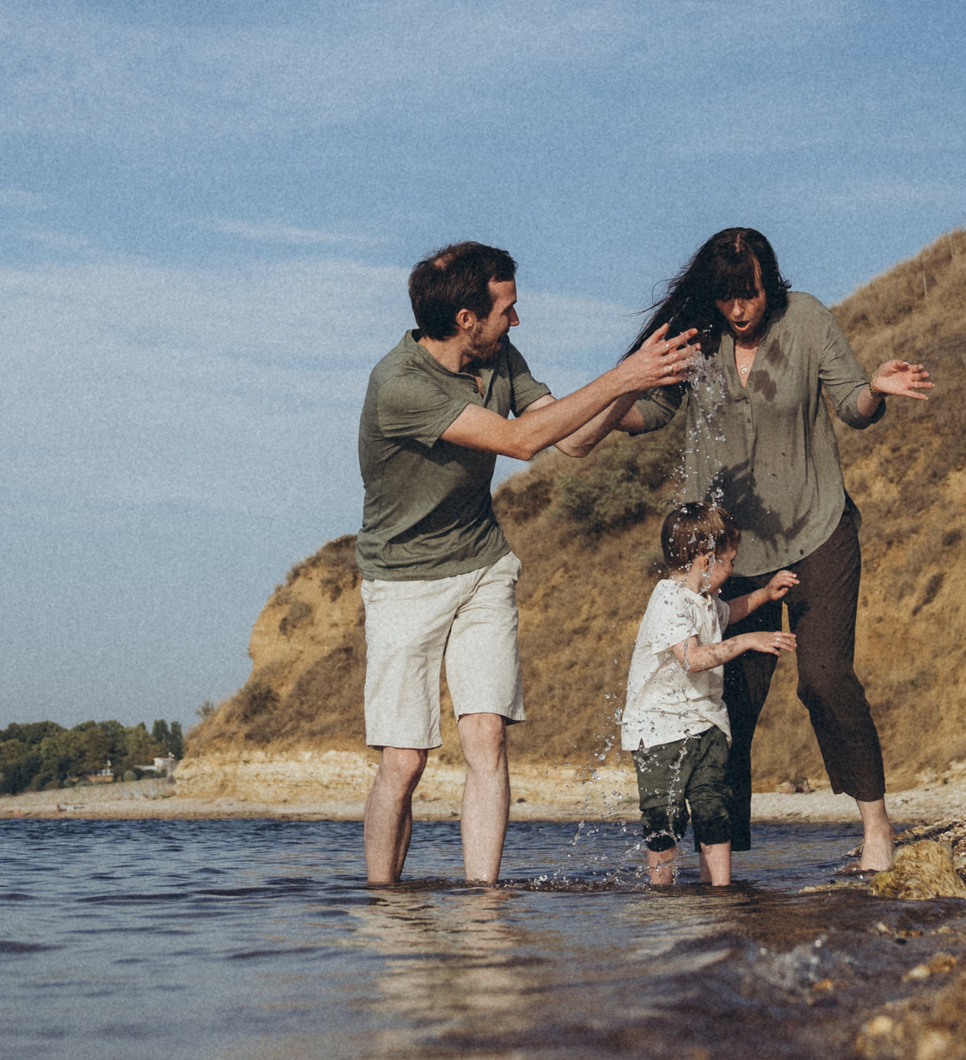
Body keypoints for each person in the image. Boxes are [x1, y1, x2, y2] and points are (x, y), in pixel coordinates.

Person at [562, 228, 931, 871]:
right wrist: (616, 389)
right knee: (726, 703)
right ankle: (721, 873)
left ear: (771, 282)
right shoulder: (700, 339)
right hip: (728, 555)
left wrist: (876, 387)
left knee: (825, 679)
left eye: (750, 295)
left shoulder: (808, 320)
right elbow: (649, 414)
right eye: (727, 298)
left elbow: (853, 405)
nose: (740, 310)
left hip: (819, 529)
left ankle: (877, 826)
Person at [356, 241, 700, 885]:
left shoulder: (497, 358)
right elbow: (519, 441)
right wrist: (624, 376)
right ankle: (384, 906)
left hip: (482, 564)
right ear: (466, 318)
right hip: (402, 580)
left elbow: (569, 439)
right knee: (404, 761)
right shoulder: (400, 384)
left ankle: (482, 905)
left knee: (486, 735)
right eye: (507, 309)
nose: (516, 321)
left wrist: (646, 388)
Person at [620, 502, 800, 887]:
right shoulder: (668, 601)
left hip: (706, 721)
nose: (732, 569)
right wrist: (750, 640)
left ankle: (720, 890)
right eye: (730, 561)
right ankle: (661, 889)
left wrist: (765, 595)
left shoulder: (702, 599)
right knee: (662, 814)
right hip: (659, 729)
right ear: (705, 561)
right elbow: (694, 658)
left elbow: (727, 613)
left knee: (713, 807)